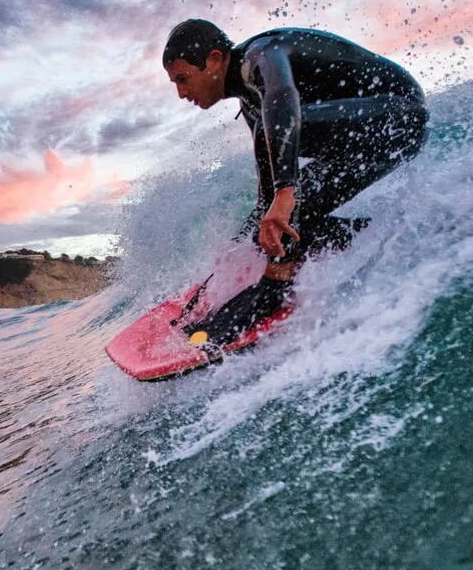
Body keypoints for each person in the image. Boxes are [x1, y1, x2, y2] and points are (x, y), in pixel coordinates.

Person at [162, 18, 428, 342]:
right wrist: (237, 252)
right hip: (377, 138)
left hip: (400, 114)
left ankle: (276, 286)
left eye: (183, 78)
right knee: (289, 217)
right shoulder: (250, 103)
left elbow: (282, 96)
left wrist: (285, 192)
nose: (180, 92)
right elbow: (267, 182)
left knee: (282, 176)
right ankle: (378, 234)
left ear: (215, 59)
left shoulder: (261, 54)